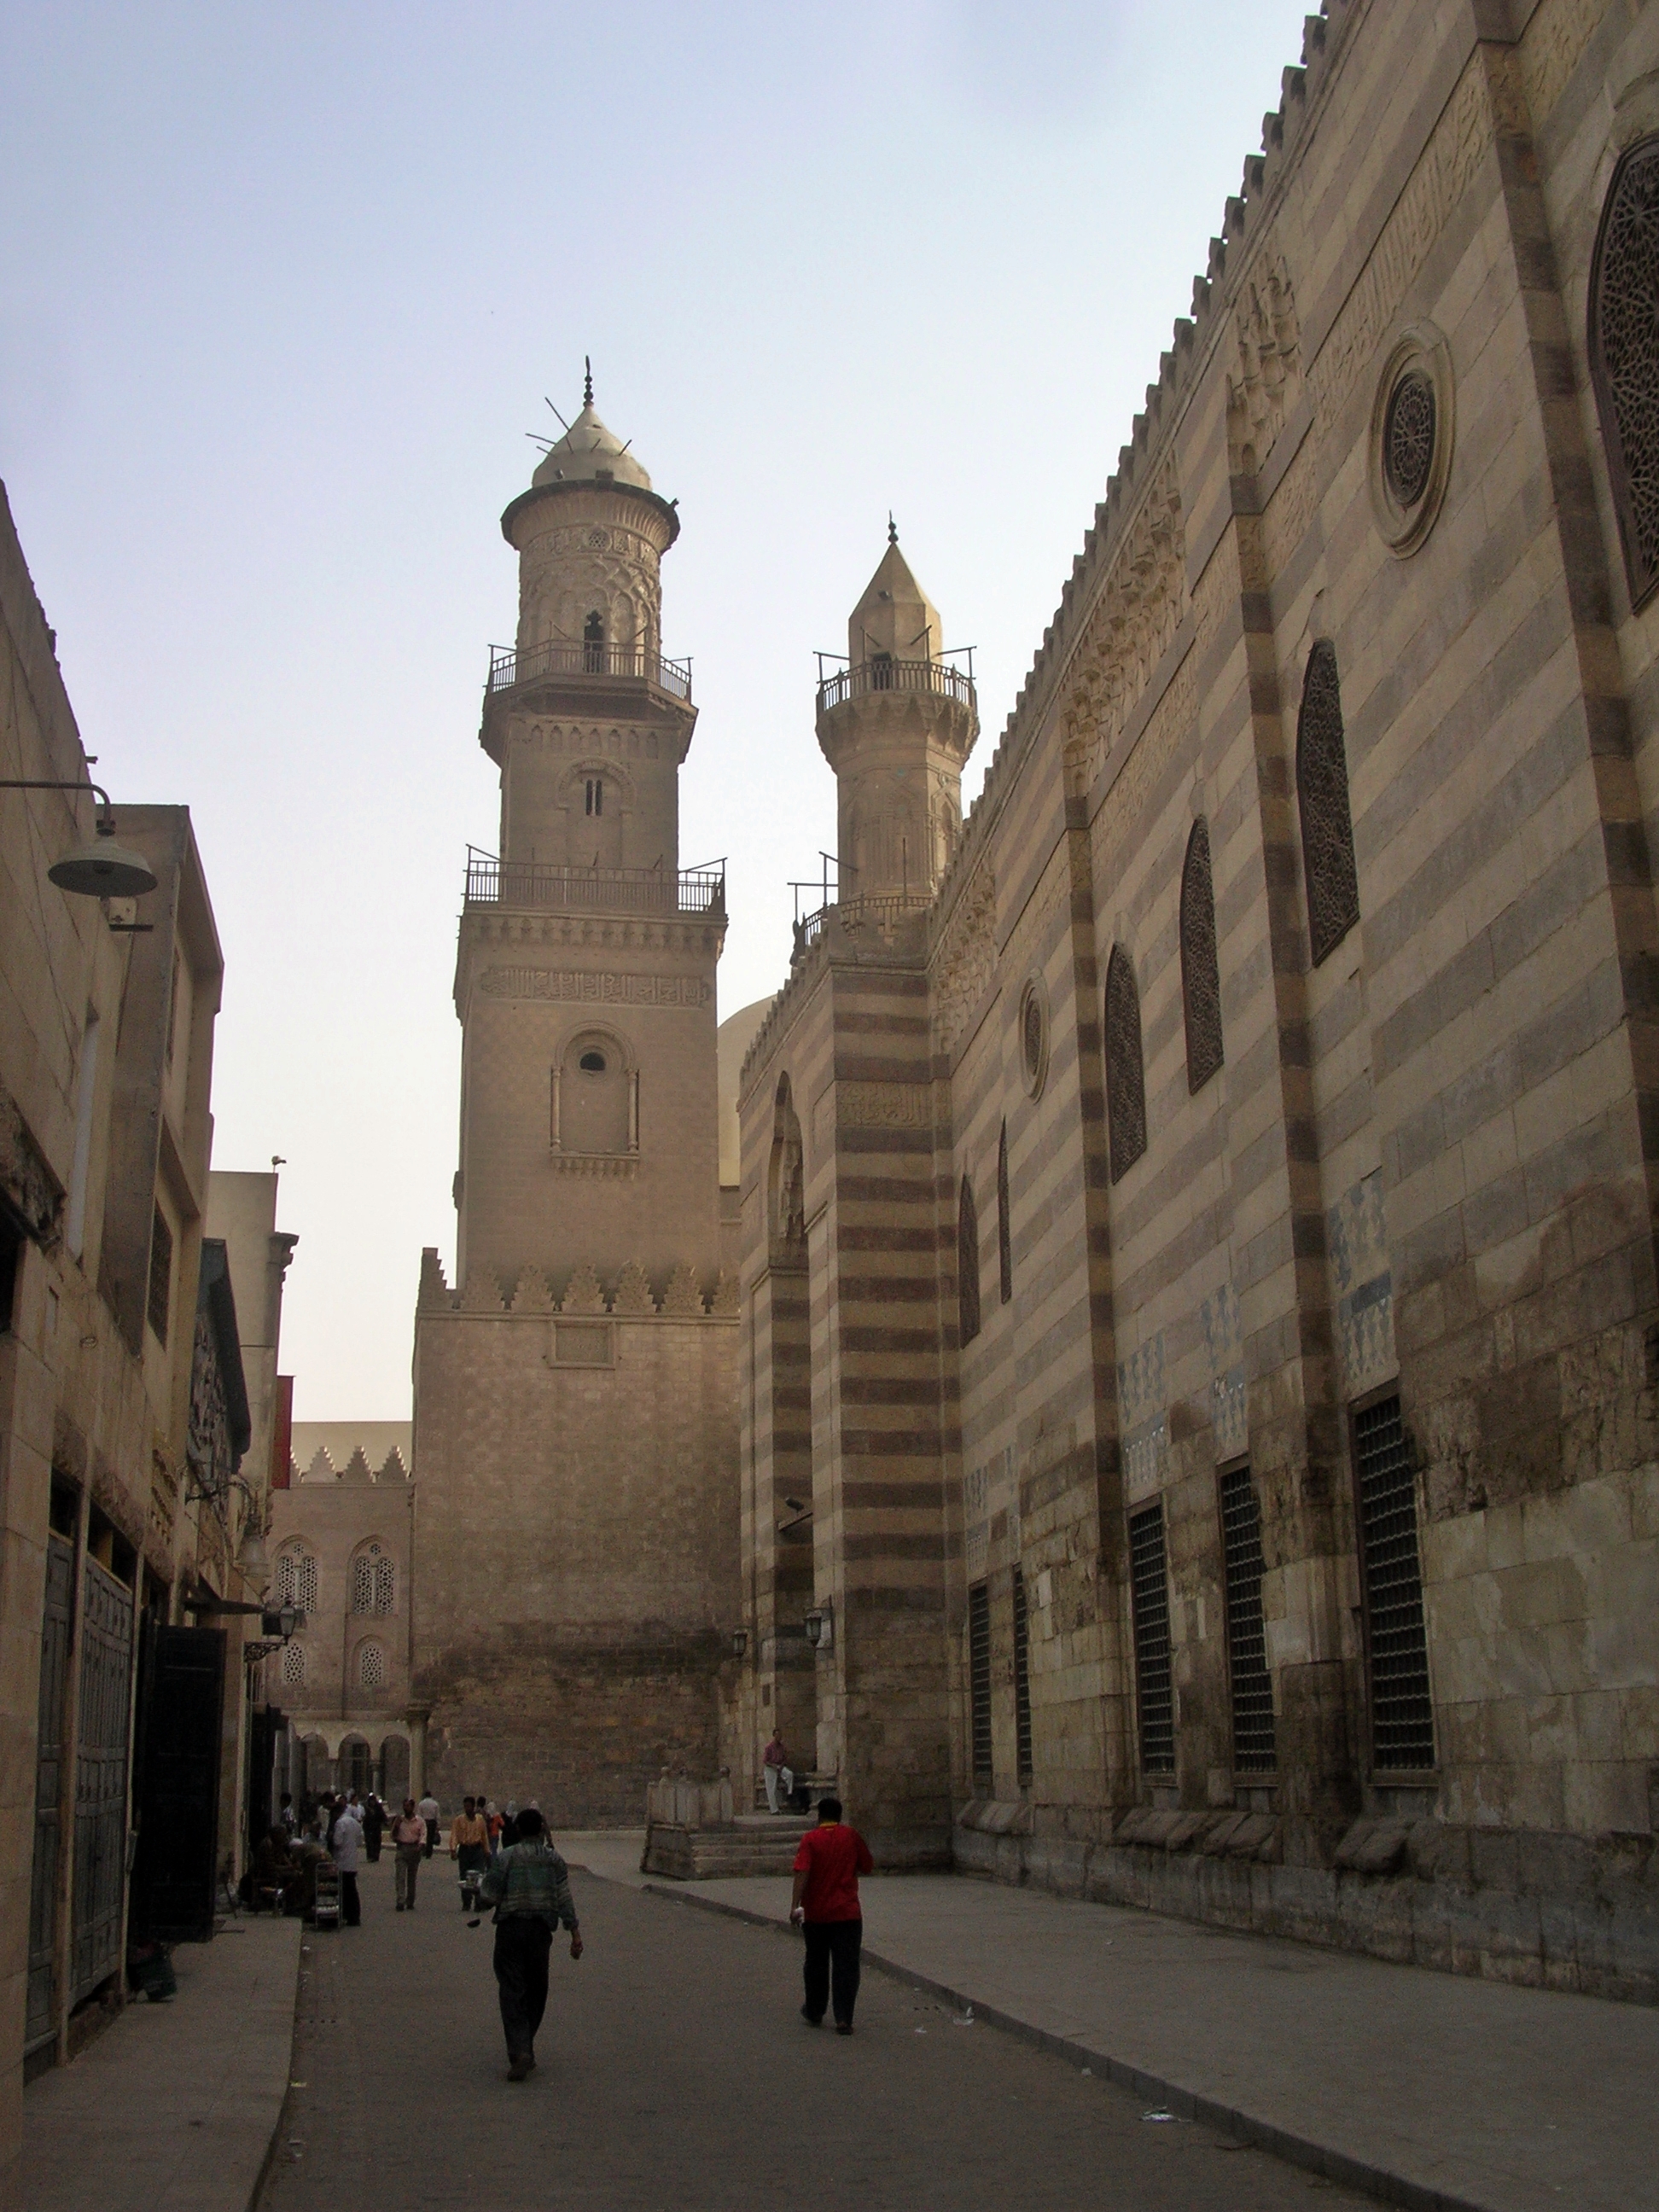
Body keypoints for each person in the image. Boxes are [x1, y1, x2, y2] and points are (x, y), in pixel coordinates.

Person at [477, 1807, 582, 2081]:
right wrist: (574, 1933)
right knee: (536, 1990)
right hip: (540, 1932)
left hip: (511, 1931)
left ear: (519, 1830)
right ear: (542, 1830)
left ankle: (520, 2049)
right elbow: (564, 1897)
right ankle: (525, 2046)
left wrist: (479, 1898)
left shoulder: (507, 1857)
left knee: (512, 1989)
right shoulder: (554, 1860)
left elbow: (489, 1893)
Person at [790, 1796, 873, 2035]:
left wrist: (794, 1906)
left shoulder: (810, 1839)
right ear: (840, 1816)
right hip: (847, 1913)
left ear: (819, 1817)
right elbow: (867, 1865)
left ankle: (815, 2009)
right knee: (846, 1966)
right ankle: (844, 2017)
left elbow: (802, 1872)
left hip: (816, 1914)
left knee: (816, 1964)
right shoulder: (851, 1836)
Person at [450, 1795, 491, 1910]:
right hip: (464, 1850)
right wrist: (453, 1849)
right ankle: (466, 1901)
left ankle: (478, 1902)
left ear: (473, 1807)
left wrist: (487, 1851)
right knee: (465, 1876)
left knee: (477, 1876)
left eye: (468, 1806)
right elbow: (454, 1835)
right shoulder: (459, 1820)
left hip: (477, 1850)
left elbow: (484, 1835)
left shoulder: (480, 1820)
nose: (467, 1809)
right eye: (465, 1806)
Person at [332, 1796, 364, 1925]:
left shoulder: (340, 1823)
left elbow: (337, 1842)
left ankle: (348, 1915)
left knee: (345, 1890)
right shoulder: (355, 1823)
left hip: (342, 1861)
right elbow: (360, 1841)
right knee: (351, 1890)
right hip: (352, 1861)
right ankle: (353, 1916)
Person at [391, 1796, 427, 1910]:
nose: (405, 1808)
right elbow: (393, 1836)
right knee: (400, 1876)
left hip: (414, 1849)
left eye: (408, 1806)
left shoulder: (419, 1821)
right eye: (404, 1806)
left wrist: (420, 1845)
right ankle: (400, 1901)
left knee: (411, 1877)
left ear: (412, 1807)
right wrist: (396, 1825)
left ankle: (410, 1900)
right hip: (402, 1848)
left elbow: (423, 1834)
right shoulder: (400, 1820)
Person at [763, 1729, 789, 1814]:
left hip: (779, 1767)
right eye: (777, 1735)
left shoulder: (782, 1747)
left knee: (789, 1775)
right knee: (771, 1789)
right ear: (774, 1736)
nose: (779, 1737)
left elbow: (785, 1758)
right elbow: (765, 1760)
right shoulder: (769, 1747)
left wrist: (781, 1765)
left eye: (780, 1735)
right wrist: (773, 1765)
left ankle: (789, 1794)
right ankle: (774, 1810)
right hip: (770, 1768)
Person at [417, 1788, 440, 1858]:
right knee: (430, 1838)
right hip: (432, 1822)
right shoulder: (435, 1803)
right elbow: (437, 1815)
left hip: (424, 1821)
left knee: (424, 1837)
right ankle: (429, 1853)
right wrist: (438, 1825)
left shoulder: (421, 1803)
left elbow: (419, 1814)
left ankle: (424, 1851)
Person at [363, 1794, 385, 1863]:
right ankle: (370, 1856)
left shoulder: (378, 1808)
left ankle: (376, 1856)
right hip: (368, 1828)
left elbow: (382, 1816)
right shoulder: (367, 1808)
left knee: (377, 1842)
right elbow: (364, 1818)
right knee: (369, 1843)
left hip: (376, 1828)